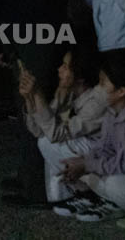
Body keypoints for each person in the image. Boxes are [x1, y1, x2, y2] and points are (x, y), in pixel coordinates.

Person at [53, 55, 125, 221]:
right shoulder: (111, 111)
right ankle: (112, 203)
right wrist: (82, 162)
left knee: (115, 184)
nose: (97, 88)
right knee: (80, 168)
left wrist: (88, 165)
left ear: (121, 91)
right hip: (123, 173)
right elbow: (104, 148)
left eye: (102, 83)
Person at [19, 48, 108, 204]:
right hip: (90, 153)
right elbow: (38, 130)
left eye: (66, 66)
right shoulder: (70, 93)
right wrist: (30, 98)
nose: (59, 69)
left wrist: (38, 94)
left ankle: (86, 193)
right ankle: (64, 197)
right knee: (46, 140)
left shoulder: (96, 102)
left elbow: (53, 134)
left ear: (80, 77)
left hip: (106, 158)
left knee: (48, 142)